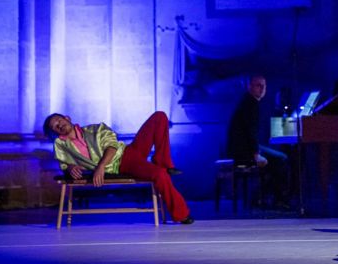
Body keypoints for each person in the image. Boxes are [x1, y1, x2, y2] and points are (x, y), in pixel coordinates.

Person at [43, 111, 193, 224]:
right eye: (55, 126)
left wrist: (100, 167)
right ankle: (182, 215)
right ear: (55, 132)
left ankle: (164, 162)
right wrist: (69, 167)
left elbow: (112, 146)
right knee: (160, 174)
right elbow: (63, 163)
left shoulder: (95, 129)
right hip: (124, 165)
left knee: (159, 116)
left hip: (128, 152)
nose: (59, 124)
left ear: (67, 118)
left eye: (59, 120)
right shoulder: (61, 145)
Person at [226, 75, 290, 208]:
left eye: (264, 86)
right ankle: (277, 200)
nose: (262, 89)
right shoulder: (251, 104)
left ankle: (263, 197)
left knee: (276, 158)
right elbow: (251, 132)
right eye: (258, 85)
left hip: (242, 148)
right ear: (250, 87)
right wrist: (256, 155)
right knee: (281, 159)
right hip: (243, 152)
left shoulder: (249, 101)